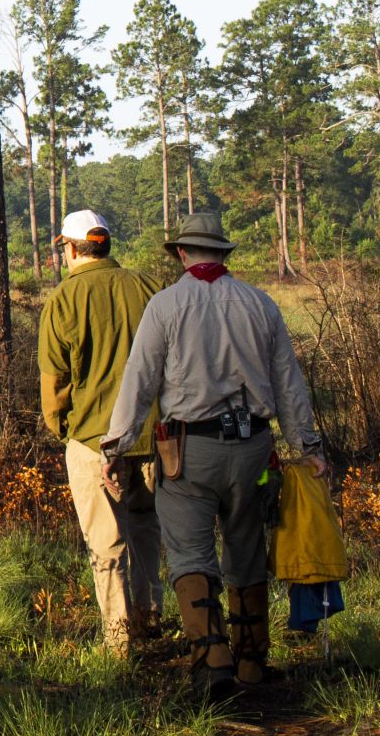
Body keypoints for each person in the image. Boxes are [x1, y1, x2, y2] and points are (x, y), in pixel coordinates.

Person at [101, 210, 329, 694]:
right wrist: (307, 446)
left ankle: (213, 662)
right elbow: (289, 384)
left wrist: (115, 446)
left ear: (182, 253)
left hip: (188, 452)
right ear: (223, 254)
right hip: (254, 450)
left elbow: (138, 380)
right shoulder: (261, 304)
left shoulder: (165, 306)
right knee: (247, 551)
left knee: (190, 555)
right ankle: (251, 666)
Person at [38, 208, 165, 657]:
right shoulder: (149, 287)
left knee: (105, 541)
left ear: (70, 249)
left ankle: (118, 638)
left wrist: (64, 429)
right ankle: (152, 615)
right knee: (147, 525)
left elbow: (54, 381)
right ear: (106, 245)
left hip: (93, 439)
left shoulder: (64, 299)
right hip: (152, 437)